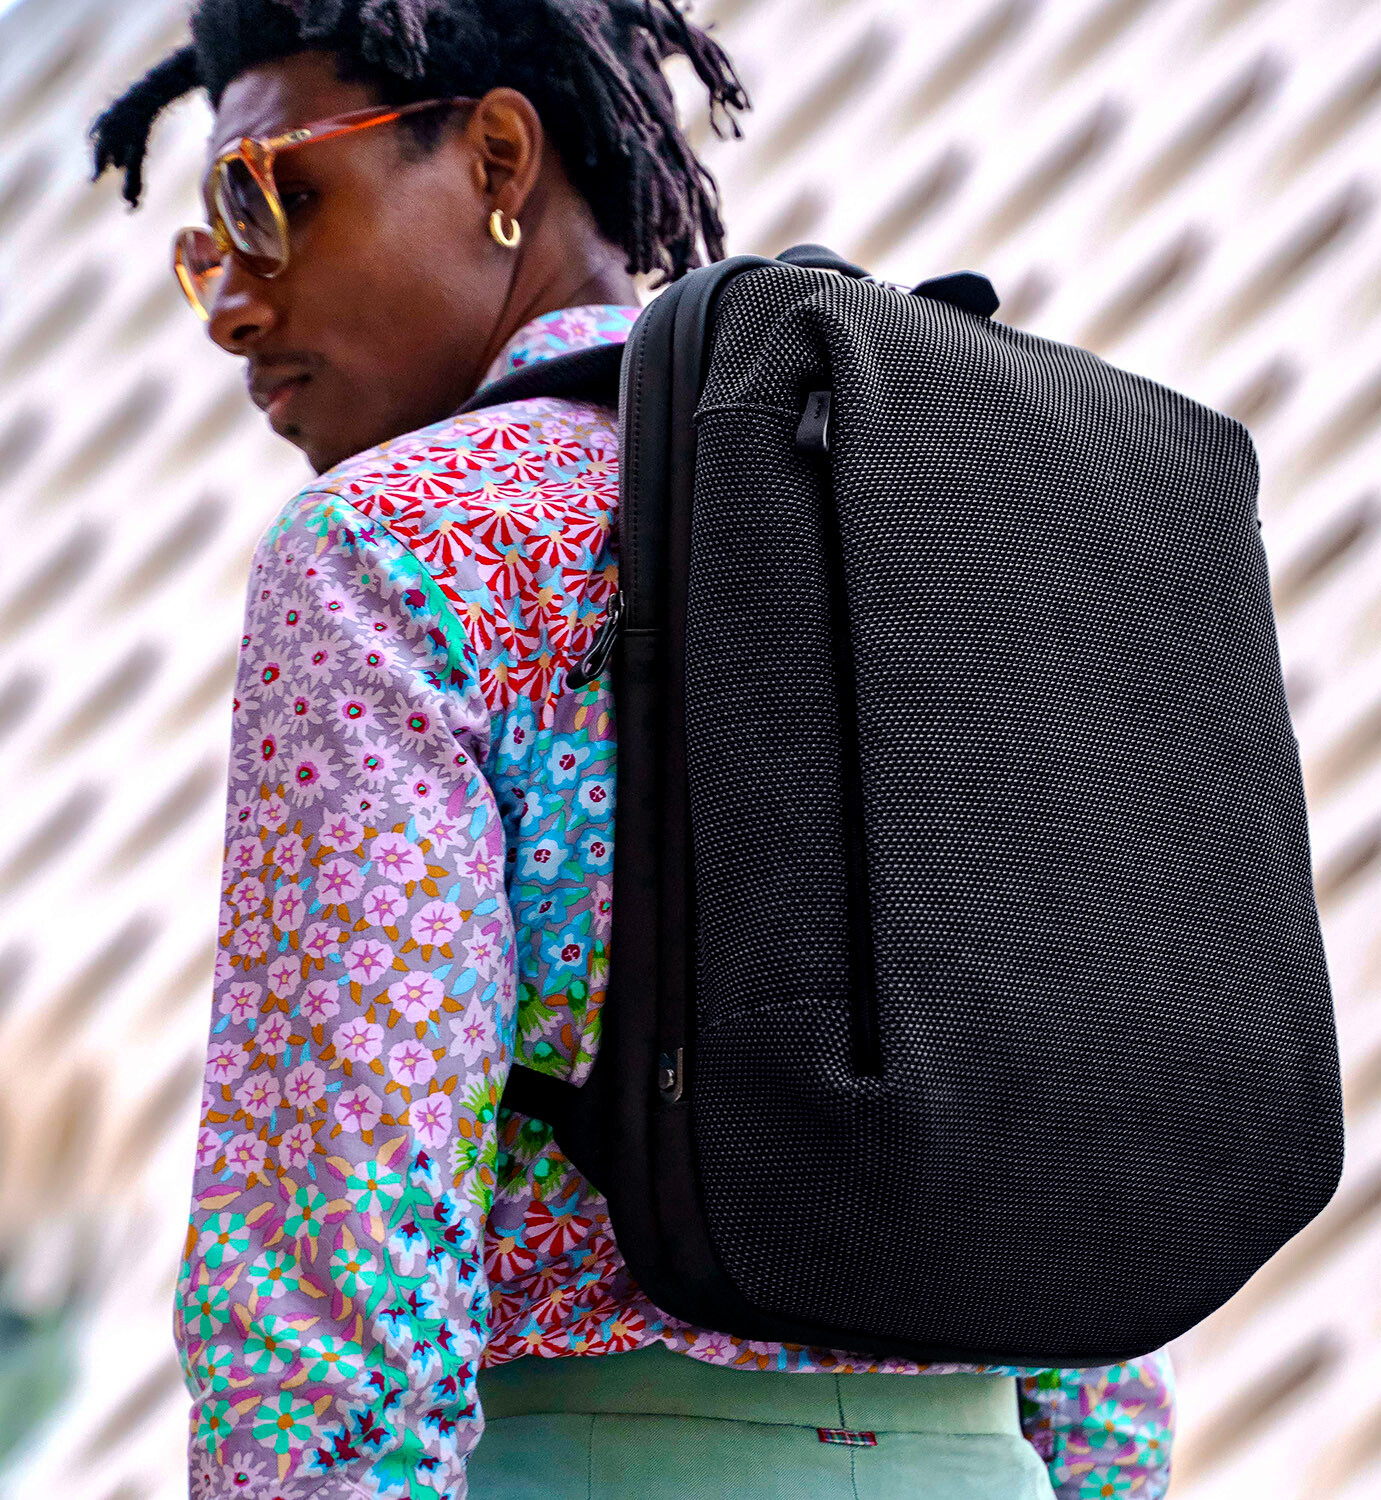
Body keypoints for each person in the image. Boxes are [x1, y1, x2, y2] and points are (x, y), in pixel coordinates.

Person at [90, 2, 1175, 1495]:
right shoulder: (944, 509)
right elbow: (1065, 1140)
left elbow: (341, 1212)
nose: (230, 303)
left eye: (271, 197)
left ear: (497, 155)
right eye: (206, 244)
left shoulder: (394, 549)